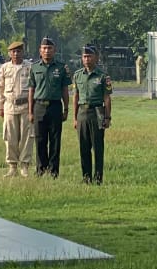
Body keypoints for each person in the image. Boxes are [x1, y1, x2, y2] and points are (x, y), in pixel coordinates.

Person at [29, 37, 71, 177]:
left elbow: (65, 90)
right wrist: (30, 111)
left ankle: (53, 171)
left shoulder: (61, 67)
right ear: (40, 50)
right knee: (40, 139)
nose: (47, 51)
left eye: (50, 48)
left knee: (55, 140)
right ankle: (40, 169)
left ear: (55, 51)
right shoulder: (34, 67)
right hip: (39, 106)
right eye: (44, 48)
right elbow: (31, 90)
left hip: (55, 106)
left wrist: (66, 109)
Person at [72, 45, 113, 184]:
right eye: (84, 56)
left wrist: (107, 117)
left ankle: (98, 177)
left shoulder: (103, 76)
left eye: (89, 56)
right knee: (83, 147)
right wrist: (75, 117)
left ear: (96, 58)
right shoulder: (77, 75)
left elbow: (107, 98)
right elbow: (75, 97)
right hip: (82, 112)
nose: (87, 59)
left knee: (98, 147)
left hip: (97, 112)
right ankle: (86, 177)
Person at [0, 39, 33, 176]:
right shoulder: (5, 68)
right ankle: (12, 166)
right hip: (10, 105)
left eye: (18, 51)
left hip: (25, 106)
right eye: (13, 51)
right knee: (10, 137)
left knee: (26, 137)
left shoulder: (29, 67)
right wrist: (0, 106)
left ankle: (24, 166)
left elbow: (33, 88)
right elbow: (0, 88)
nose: (16, 54)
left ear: (23, 52)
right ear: (9, 53)